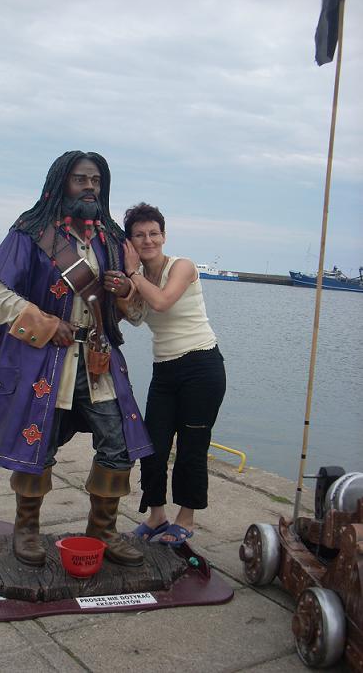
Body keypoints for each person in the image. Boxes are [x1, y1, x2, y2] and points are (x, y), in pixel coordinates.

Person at [0, 151, 153, 568]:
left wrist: (125, 291)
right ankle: (26, 529)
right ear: (62, 183)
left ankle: (103, 531)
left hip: (98, 359)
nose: (89, 187)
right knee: (38, 443)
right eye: (81, 179)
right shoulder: (30, 232)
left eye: (96, 180)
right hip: (45, 361)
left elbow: (135, 314)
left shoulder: (113, 240)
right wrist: (45, 323)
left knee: (118, 443)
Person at [104, 202, 226, 546]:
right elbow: (135, 316)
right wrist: (120, 291)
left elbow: (161, 302)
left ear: (163, 236)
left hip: (201, 366)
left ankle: (185, 520)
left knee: (192, 446)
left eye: (153, 233)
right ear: (130, 241)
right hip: (165, 370)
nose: (148, 240)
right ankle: (156, 516)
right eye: (139, 235)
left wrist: (132, 274)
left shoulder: (182, 267)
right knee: (152, 445)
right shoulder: (139, 279)